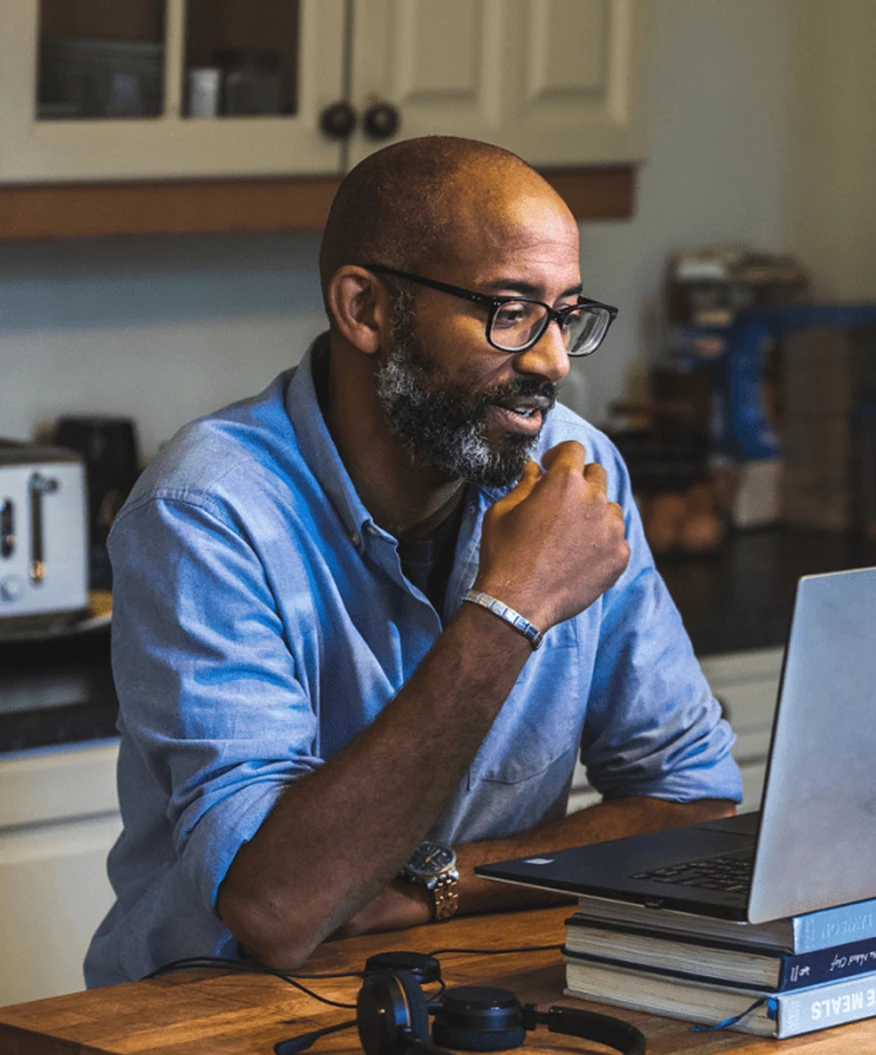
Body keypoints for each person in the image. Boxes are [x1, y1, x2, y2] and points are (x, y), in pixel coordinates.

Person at [84, 136, 741, 987]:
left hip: (477, 993)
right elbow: (279, 908)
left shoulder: (576, 469)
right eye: (510, 310)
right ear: (366, 310)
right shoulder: (205, 513)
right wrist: (512, 608)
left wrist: (439, 885)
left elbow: (694, 802)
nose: (550, 363)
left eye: (566, 314)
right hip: (218, 1015)